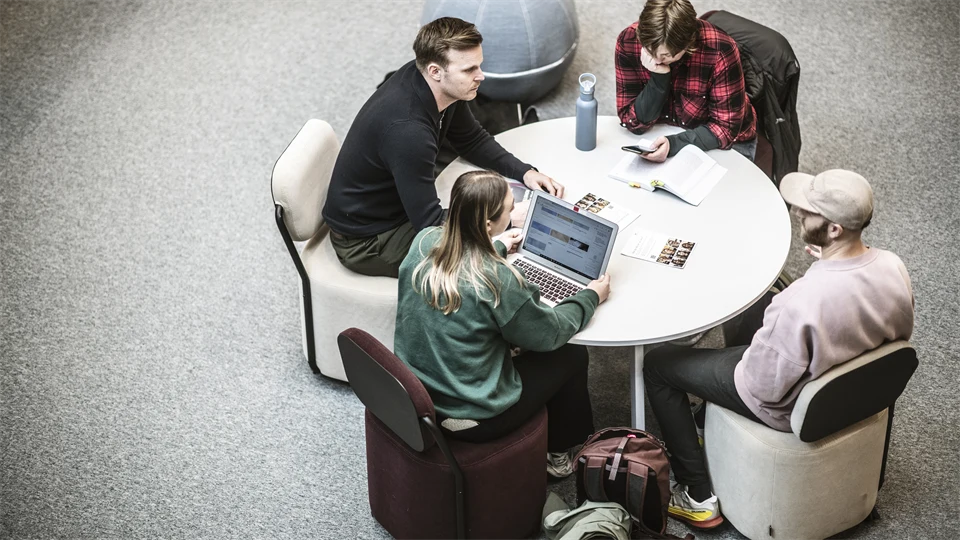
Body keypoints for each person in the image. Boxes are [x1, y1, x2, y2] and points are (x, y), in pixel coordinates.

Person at [642, 169, 914, 529]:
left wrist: (754, 348)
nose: (800, 212)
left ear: (834, 229)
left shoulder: (799, 302)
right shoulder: (894, 268)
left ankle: (697, 496)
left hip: (783, 407)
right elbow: (897, 336)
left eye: (809, 211)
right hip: (849, 386)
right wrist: (827, 264)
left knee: (659, 364)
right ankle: (702, 427)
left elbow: (762, 387)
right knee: (759, 308)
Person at [393, 170, 610, 477]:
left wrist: (496, 246)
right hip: (473, 415)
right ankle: (559, 457)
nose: (514, 213)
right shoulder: (497, 280)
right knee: (571, 354)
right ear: (486, 223)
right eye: (510, 209)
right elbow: (551, 333)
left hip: (420, 392)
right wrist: (589, 297)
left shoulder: (423, 241)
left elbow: (462, 262)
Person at [322, 17, 562, 278]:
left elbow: (471, 140)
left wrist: (525, 172)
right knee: (491, 265)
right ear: (436, 71)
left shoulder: (437, 84)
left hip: (398, 206)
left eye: (479, 65)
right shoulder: (409, 132)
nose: (480, 76)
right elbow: (431, 225)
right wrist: (505, 220)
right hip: (369, 241)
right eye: (469, 69)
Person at [615, 0, 757, 163]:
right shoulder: (628, 40)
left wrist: (674, 144)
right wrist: (659, 79)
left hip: (723, 141)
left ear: (688, 44)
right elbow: (631, 121)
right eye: (649, 50)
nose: (654, 60)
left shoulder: (720, 51)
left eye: (665, 56)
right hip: (660, 132)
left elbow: (724, 129)